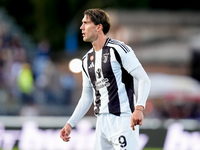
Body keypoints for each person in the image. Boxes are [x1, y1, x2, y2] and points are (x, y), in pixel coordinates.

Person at [60, 8, 151, 150]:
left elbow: (144, 79)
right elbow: (86, 96)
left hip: (123, 120)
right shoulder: (86, 60)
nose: (81, 27)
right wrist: (70, 123)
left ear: (98, 26)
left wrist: (139, 108)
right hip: (101, 123)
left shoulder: (118, 49)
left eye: (86, 23)